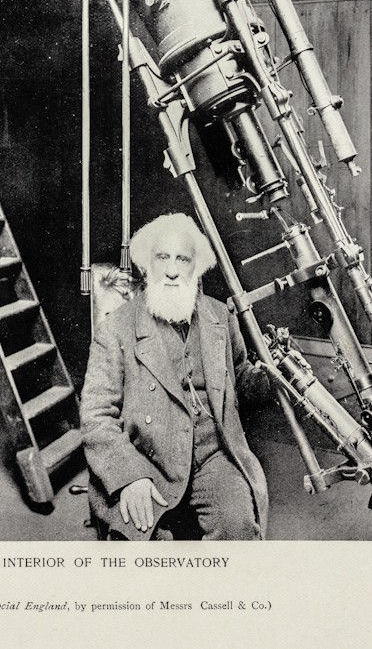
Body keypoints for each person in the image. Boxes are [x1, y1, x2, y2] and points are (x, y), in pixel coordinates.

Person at [80, 213, 271, 541]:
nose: (171, 270)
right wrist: (129, 477)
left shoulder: (220, 317)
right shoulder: (117, 328)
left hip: (215, 455)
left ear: (196, 268)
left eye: (182, 259)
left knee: (239, 531)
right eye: (162, 257)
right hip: (146, 460)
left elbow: (238, 378)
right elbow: (96, 416)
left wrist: (269, 374)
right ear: (146, 265)